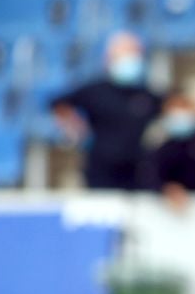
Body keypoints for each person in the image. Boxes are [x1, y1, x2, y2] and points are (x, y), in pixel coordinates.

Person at [51, 31, 163, 191]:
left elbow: (172, 108)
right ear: (110, 58)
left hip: (137, 169)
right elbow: (59, 103)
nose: (132, 60)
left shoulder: (145, 94)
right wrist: (76, 128)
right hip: (101, 169)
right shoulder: (95, 91)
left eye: (136, 55)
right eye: (127, 54)